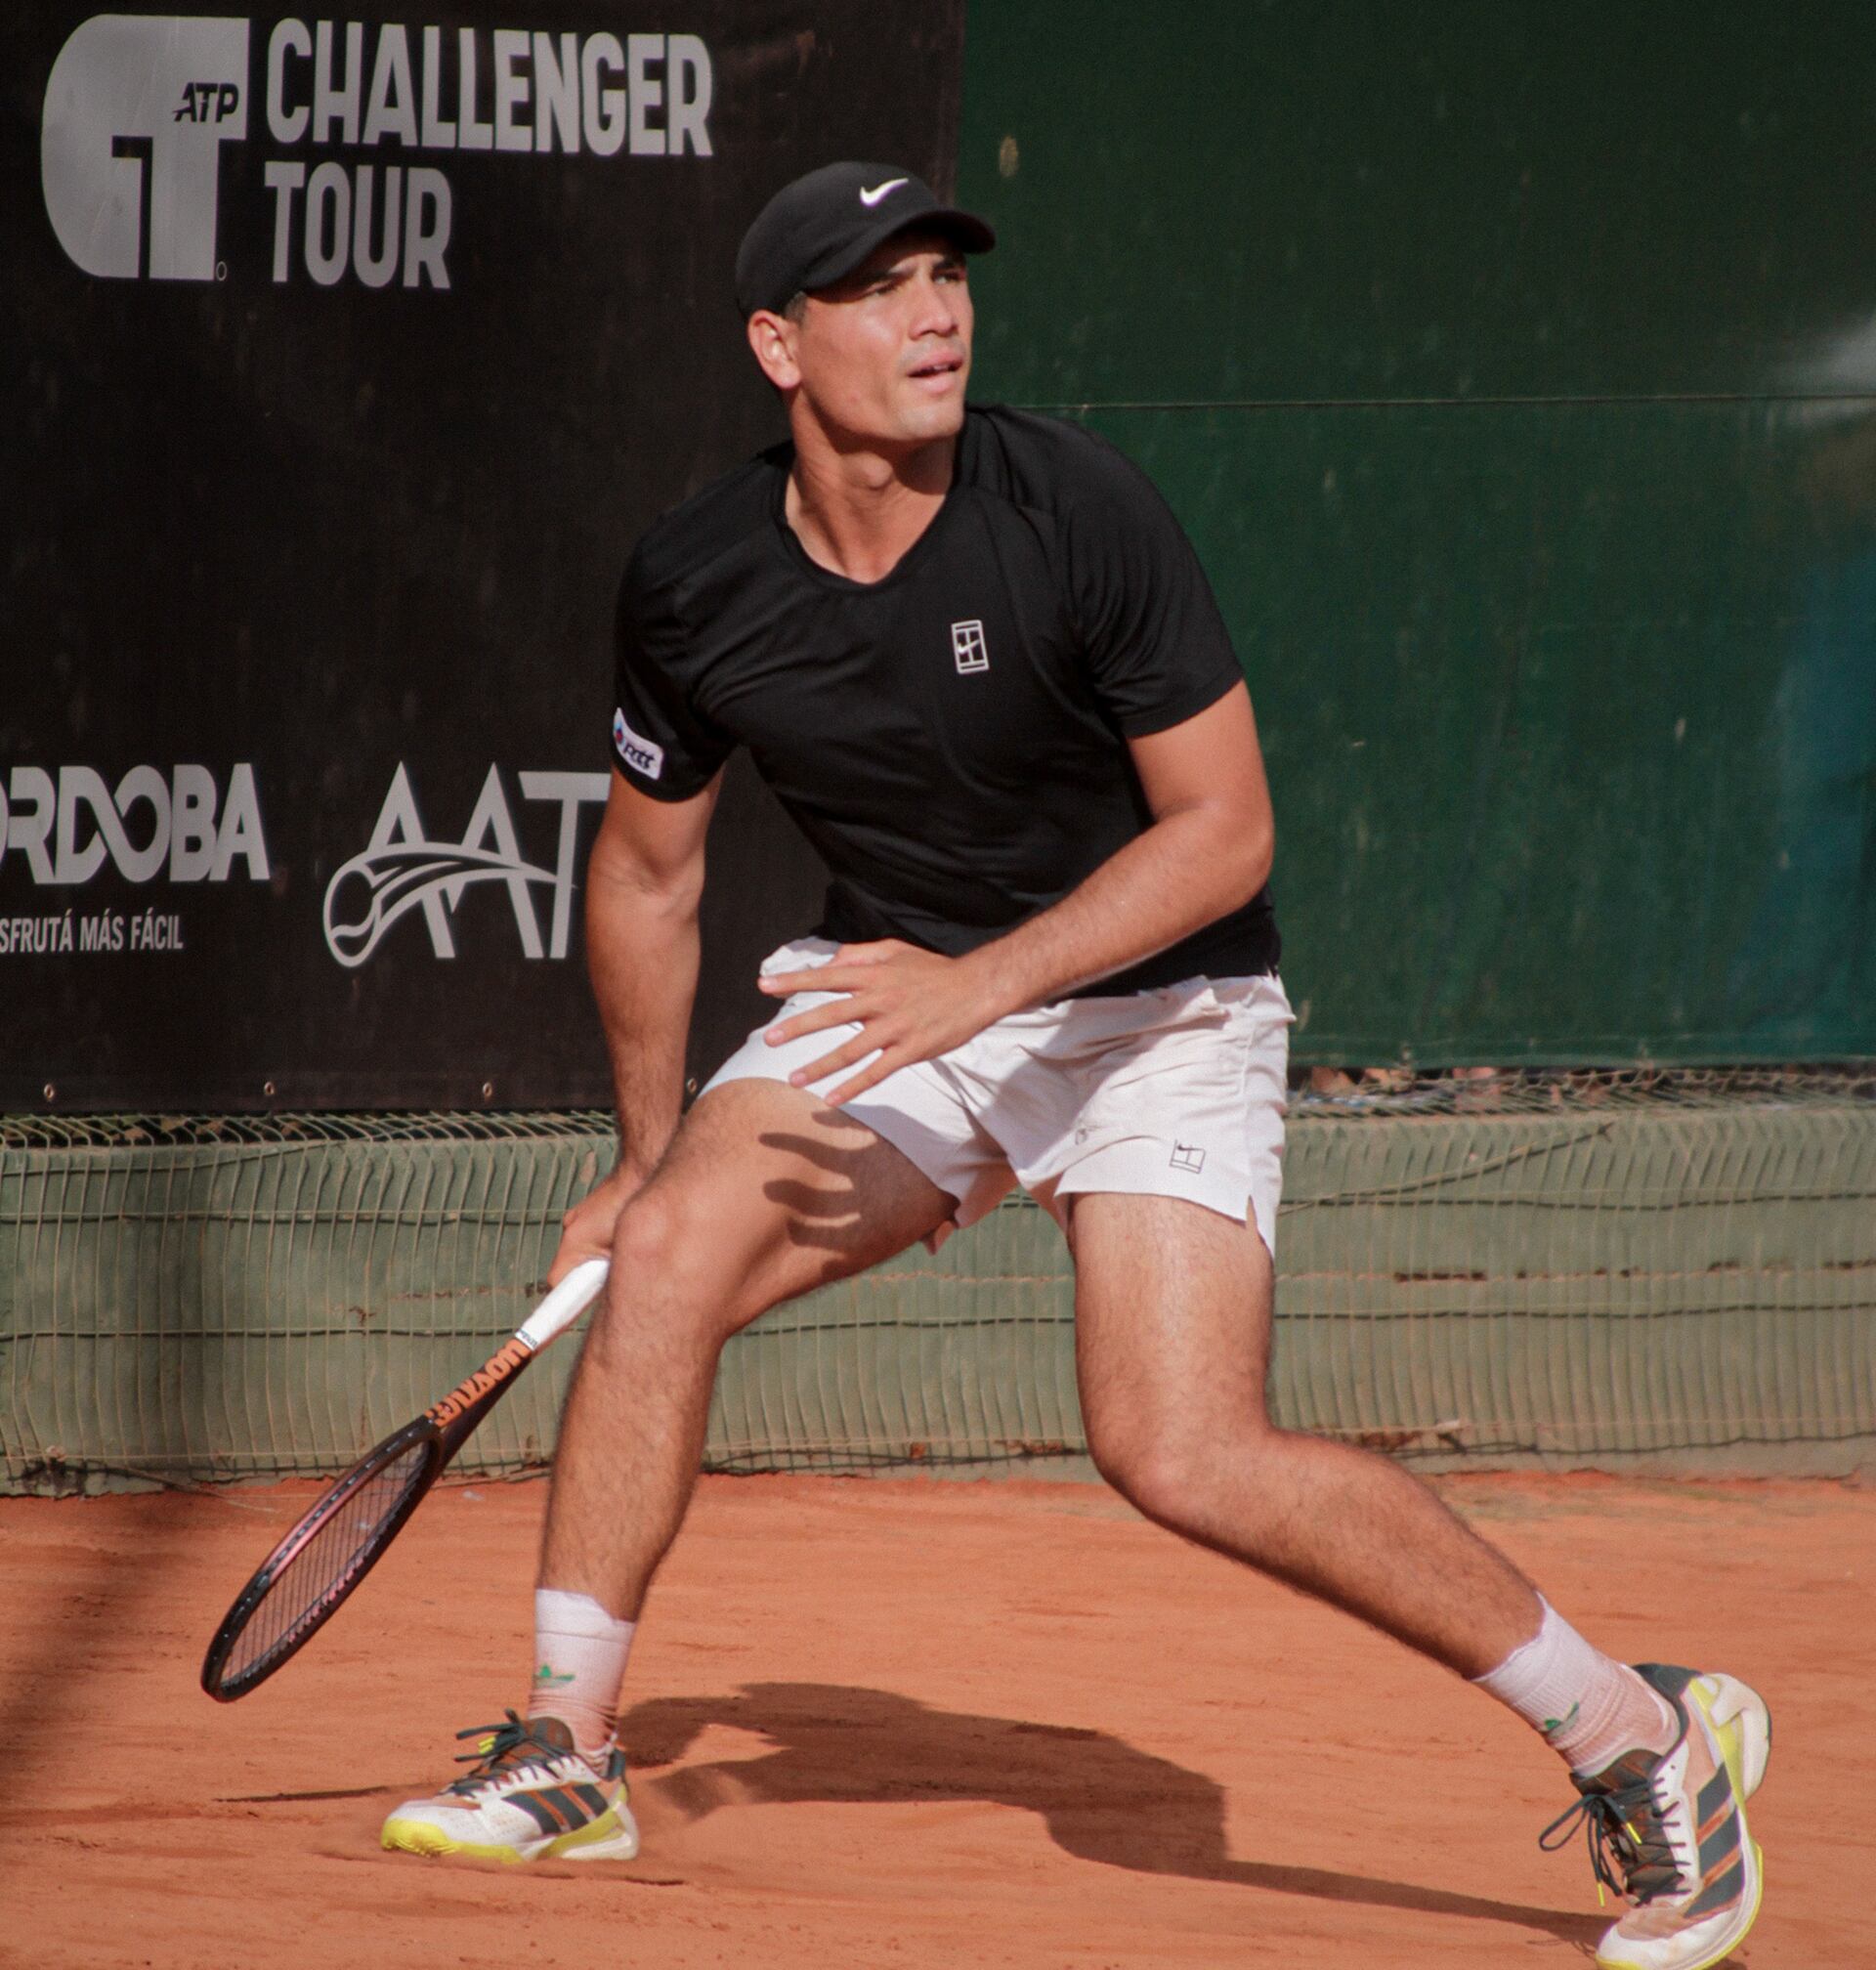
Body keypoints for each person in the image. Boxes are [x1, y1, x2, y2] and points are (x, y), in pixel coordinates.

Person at [381, 160, 1769, 1970]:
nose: (935, 312)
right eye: (878, 287)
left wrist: (988, 985)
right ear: (776, 345)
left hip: (1156, 1003)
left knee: (1180, 1449)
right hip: (905, 996)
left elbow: (1225, 833)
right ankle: (568, 1752)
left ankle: (1644, 1737)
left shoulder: (1080, 510)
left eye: (945, 274)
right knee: (664, 1256)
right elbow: (648, 871)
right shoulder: (698, 580)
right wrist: (650, 1153)